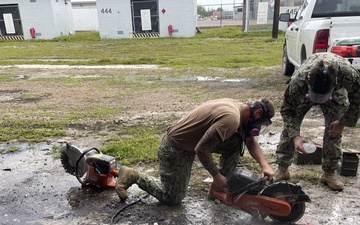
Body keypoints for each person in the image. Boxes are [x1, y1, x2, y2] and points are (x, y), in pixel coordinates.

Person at [115, 98, 275, 204]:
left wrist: (264, 165)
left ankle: (217, 190)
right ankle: (133, 175)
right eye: (260, 124)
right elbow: (201, 149)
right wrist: (216, 175)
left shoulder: (240, 109)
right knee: (172, 197)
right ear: (257, 113)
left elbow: (248, 139)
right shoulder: (232, 119)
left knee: (236, 142)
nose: (258, 128)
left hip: (193, 143)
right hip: (175, 148)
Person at [274, 52, 360, 191]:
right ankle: (282, 169)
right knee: (290, 126)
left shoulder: (348, 75)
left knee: (334, 131)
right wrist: (295, 137)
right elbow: (287, 111)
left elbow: (357, 100)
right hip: (305, 93)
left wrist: (342, 122)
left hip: (335, 95)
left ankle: (329, 173)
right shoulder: (299, 81)